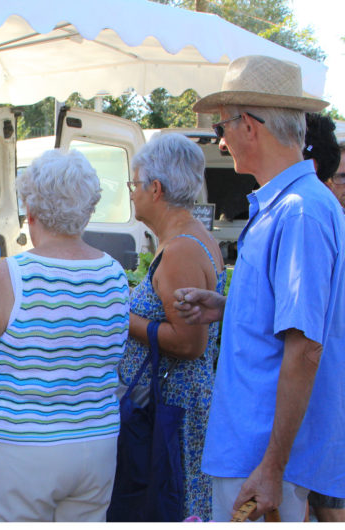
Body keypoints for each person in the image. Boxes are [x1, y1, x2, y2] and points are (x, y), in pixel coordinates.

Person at [174, 55, 345, 522]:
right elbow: (296, 319)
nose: (221, 140)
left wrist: (273, 465)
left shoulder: (299, 211)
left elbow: (306, 347)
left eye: (223, 126)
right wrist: (230, 307)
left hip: (261, 455)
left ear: (248, 126)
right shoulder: (289, 205)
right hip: (256, 449)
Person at [0, 149, 130, 522]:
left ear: (29, 210)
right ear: (88, 210)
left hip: (23, 448)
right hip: (97, 444)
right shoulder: (114, 274)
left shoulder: (11, 274)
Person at [115, 133, 226, 521]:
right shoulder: (189, 237)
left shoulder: (179, 251)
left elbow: (189, 343)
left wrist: (124, 319)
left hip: (172, 408)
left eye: (134, 184)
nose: (133, 194)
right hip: (177, 402)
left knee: (171, 504)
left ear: (155, 188)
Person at [301, 114, 345, 523]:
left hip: (327, 400)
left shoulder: (311, 214)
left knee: (330, 510)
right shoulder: (322, 212)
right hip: (317, 400)